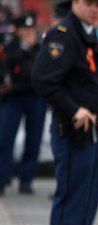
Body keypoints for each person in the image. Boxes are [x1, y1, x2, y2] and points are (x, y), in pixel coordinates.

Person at [32, 0, 98, 225]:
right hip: (72, 131)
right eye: (89, 3)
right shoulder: (64, 34)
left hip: (92, 131)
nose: (95, 9)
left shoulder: (88, 34)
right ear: (75, 2)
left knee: (87, 202)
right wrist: (74, 108)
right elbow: (43, 80)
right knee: (71, 201)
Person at [0, 13, 47, 196]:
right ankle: (3, 178)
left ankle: (26, 180)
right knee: (5, 137)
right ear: (18, 30)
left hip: (35, 97)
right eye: (25, 29)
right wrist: (25, 48)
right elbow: (7, 64)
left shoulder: (41, 47)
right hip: (14, 96)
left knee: (33, 139)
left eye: (31, 29)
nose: (28, 33)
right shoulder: (10, 45)